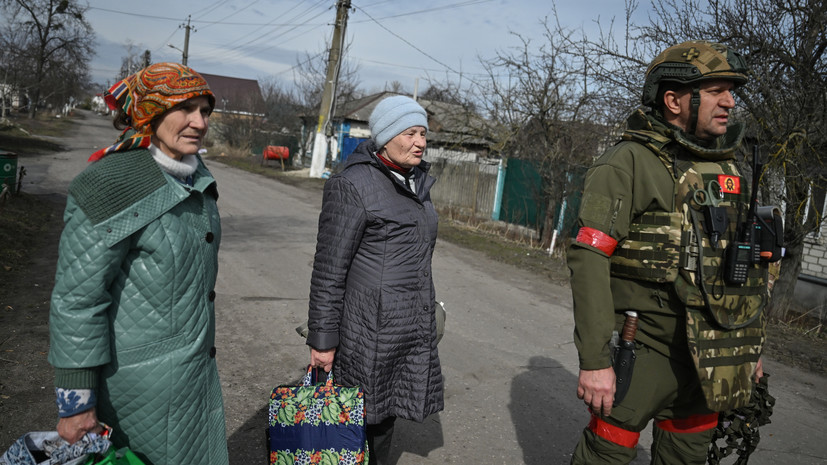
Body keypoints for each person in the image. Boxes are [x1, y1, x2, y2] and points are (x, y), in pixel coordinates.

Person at [567, 41, 773, 464]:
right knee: (606, 453)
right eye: (716, 91)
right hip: (644, 348)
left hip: (710, 357)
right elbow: (589, 258)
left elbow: (746, 267)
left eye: (731, 92)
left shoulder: (728, 169)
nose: (730, 102)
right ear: (674, 100)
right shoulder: (627, 163)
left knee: (686, 457)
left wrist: (748, 347)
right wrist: (595, 361)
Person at [48, 62, 229, 465]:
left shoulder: (194, 178)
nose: (200, 123)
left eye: (205, 111)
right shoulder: (110, 184)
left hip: (192, 381)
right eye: (185, 109)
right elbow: (77, 300)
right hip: (136, 393)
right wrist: (76, 403)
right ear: (150, 113)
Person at [306, 95, 444, 465]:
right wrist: (322, 341)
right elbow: (328, 270)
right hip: (368, 331)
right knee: (355, 422)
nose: (420, 142)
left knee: (385, 417)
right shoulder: (353, 184)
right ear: (385, 136)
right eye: (410, 133)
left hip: (407, 328)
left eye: (423, 134)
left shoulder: (415, 182)